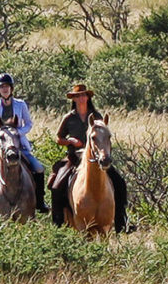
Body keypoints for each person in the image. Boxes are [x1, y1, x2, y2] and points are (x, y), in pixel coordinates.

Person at [51, 82, 129, 231]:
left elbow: (104, 135)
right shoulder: (69, 118)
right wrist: (70, 141)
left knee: (119, 183)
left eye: (83, 95)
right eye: (77, 96)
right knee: (56, 185)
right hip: (75, 158)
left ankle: (121, 220)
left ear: (88, 97)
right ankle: (58, 223)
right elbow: (58, 138)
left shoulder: (97, 116)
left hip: (97, 158)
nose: (81, 98)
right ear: (73, 99)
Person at [0, 72, 45, 214]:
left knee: (39, 168)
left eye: (7, 86)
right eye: (1, 87)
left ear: (11, 88)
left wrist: (18, 134)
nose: (4, 89)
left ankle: (40, 202)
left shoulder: (21, 104)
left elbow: (29, 124)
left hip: (19, 145)